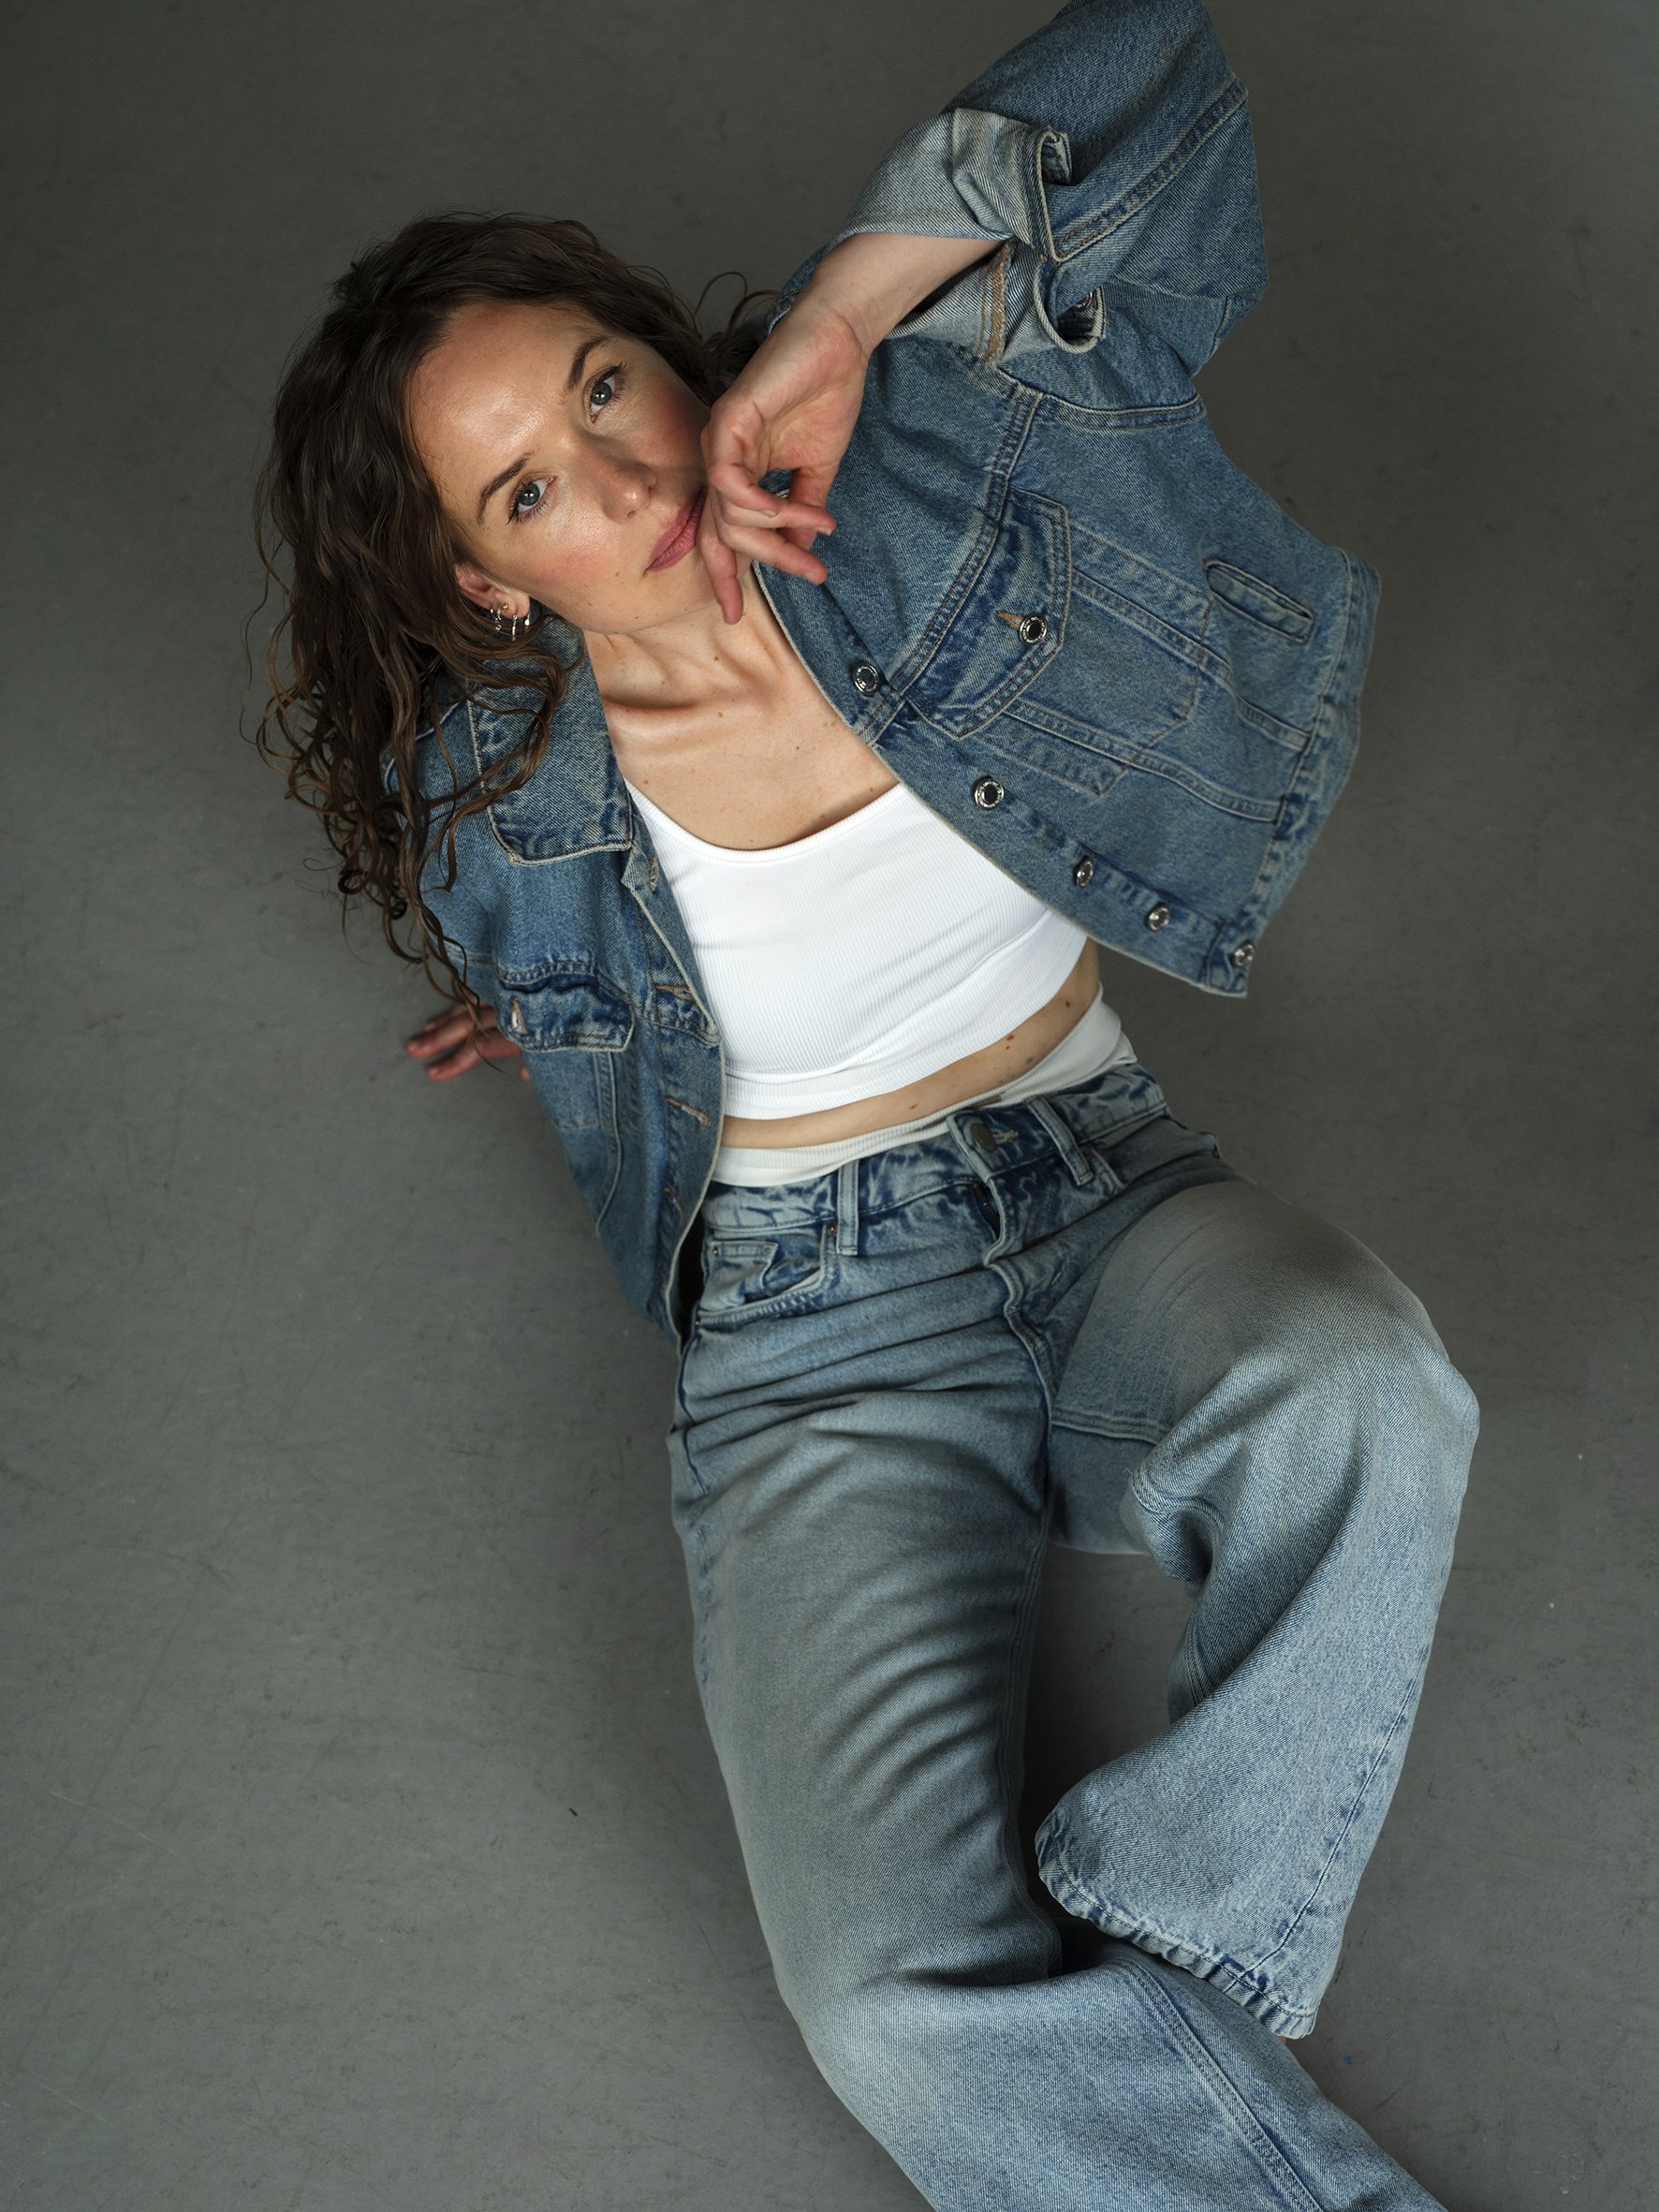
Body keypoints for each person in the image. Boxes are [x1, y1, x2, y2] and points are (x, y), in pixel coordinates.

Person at [254, 2, 1480, 2204]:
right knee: (888, 2003)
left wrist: (843, 312)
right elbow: (573, 952)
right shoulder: (507, 809)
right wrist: (567, 1019)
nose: (617, 484)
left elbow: (1159, 82)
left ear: (666, 355)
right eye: (526, 491)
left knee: (1361, 1384)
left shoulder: (914, 452)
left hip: (1102, 1188)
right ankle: (1141, 2053)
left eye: (602, 389)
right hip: (814, 1338)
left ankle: (1153, 1970)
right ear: (484, 581)